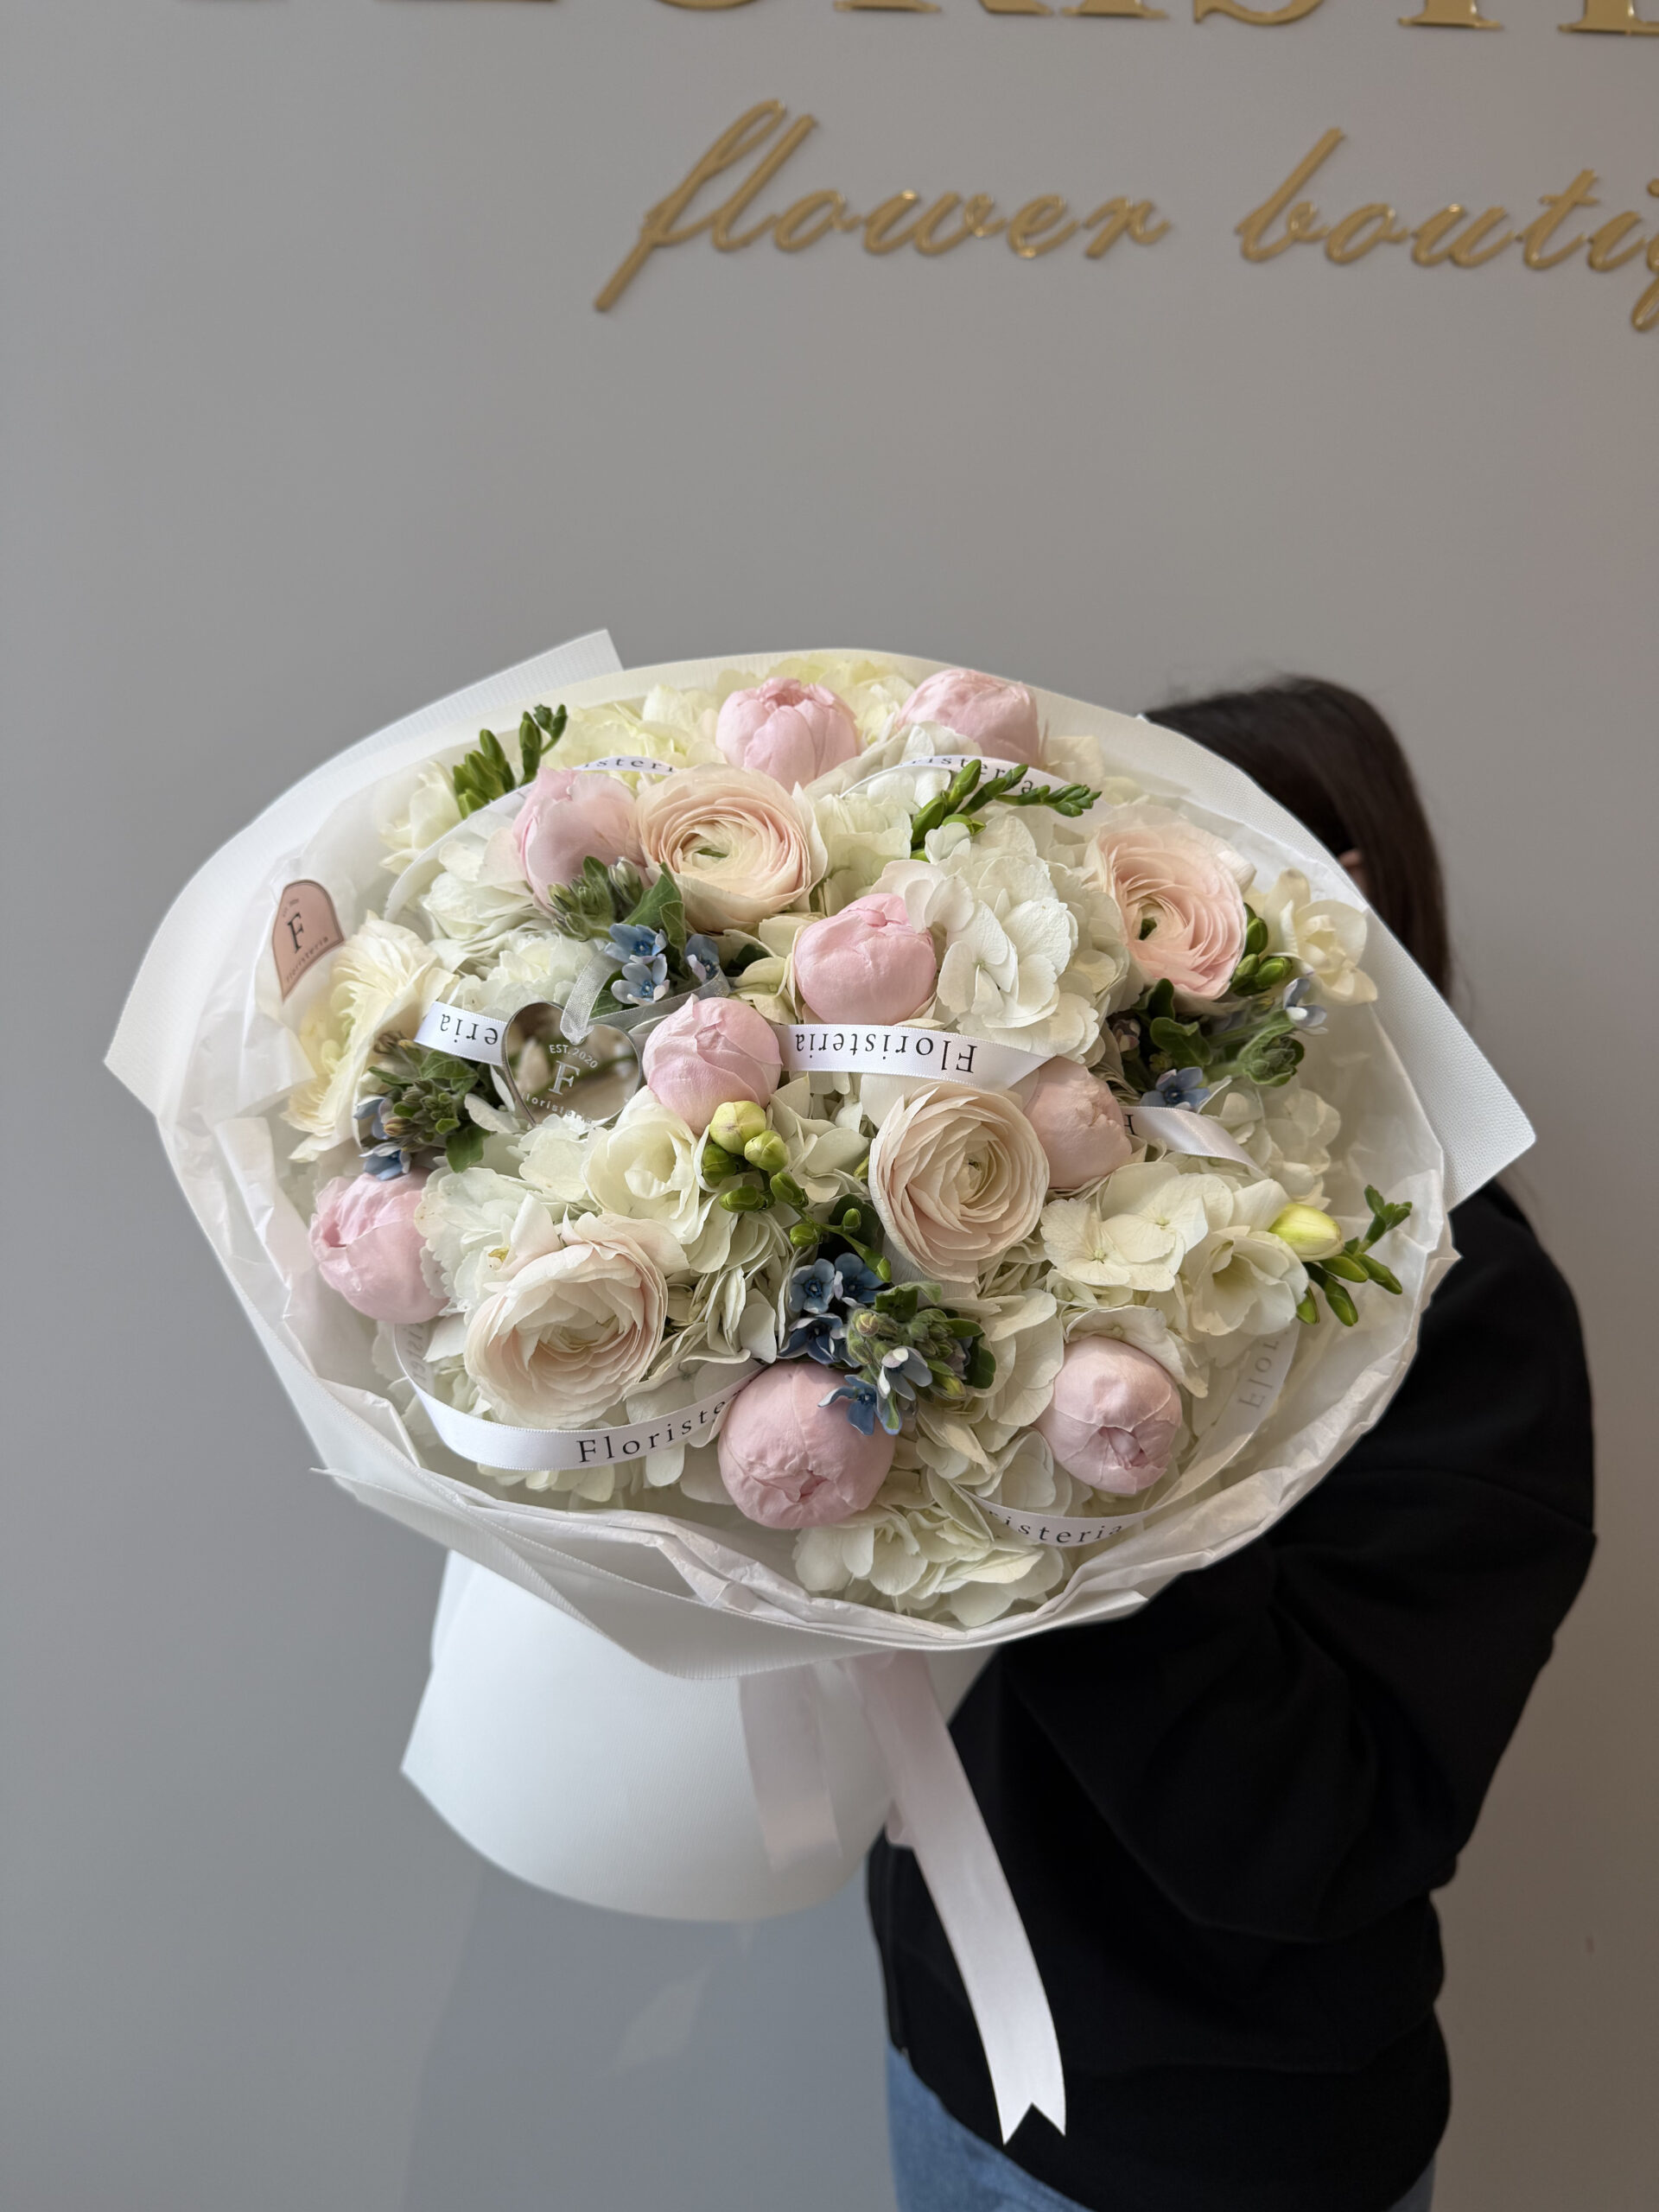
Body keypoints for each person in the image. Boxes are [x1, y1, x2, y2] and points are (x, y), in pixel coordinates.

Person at [868, 676, 1595, 2212]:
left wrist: (1090, 1485)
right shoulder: (1032, 1229)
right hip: (956, 2039)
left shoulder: (1477, 1313)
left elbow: (1321, 1829)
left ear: (1335, 909)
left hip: (1221, 2146)